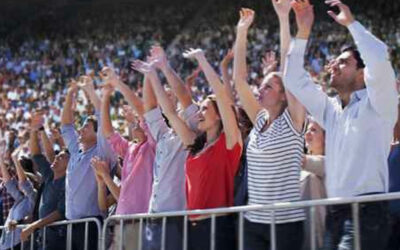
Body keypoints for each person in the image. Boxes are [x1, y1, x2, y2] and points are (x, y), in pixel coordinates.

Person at [284, 0, 397, 249]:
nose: (334, 64)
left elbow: (379, 58)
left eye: (343, 62)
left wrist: (351, 24)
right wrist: (303, 30)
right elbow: (292, 78)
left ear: (362, 73)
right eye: (335, 60)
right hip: (334, 212)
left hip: (367, 213)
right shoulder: (330, 110)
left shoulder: (380, 103)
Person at [233, 4, 307, 250]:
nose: (259, 90)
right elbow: (239, 82)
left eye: (268, 87)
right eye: (261, 86)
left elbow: (290, 70)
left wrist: (284, 18)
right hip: (253, 222)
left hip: (285, 224)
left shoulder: (294, 120)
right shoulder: (260, 120)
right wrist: (241, 32)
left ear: (284, 94)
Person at [132, 46, 200, 250]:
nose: (164, 97)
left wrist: (162, 69)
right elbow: (151, 107)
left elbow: (185, 98)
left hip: (176, 217)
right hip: (154, 215)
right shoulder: (163, 134)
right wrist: (148, 75)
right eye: (163, 94)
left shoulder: (192, 128)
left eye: (169, 94)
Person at [92, 66, 156, 250]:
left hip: (140, 221)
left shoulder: (152, 146)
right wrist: (105, 97)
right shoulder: (129, 148)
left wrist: (117, 82)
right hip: (121, 220)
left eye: (138, 120)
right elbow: (108, 132)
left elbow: (144, 112)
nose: (134, 122)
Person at [61, 77, 116, 250]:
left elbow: (102, 116)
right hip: (71, 223)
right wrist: (70, 93)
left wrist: (91, 91)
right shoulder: (76, 147)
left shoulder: (103, 151)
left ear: (97, 132)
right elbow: (66, 125)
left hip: (91, 225)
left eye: (86, 127)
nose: (81, 129)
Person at [20, 111, 68, 250]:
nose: (56, 158)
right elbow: (36, 154)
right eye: (57, 156)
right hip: (43, 237)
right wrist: (34, 131)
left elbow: (59, 212)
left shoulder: (68, 182)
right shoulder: (49, 175)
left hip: (57, 239)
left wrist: (33, 226)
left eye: (61, 157)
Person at [0, 142, 36, 249]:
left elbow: (25, 183)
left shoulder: (33, 197)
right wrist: (1, 159)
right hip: (6, 244)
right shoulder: (20, 199)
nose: (18, 182)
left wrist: (15, 159)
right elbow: (9, 183)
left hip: (19, 244)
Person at [301, 118, 326, 249]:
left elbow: (307, 162)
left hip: (319, 238)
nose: (307, 134)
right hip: (299, 236)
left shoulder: (331, 163)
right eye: (307, 130)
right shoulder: (298, 169)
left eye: (313, 130)